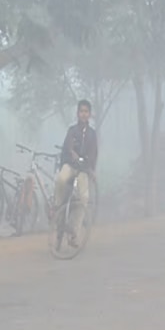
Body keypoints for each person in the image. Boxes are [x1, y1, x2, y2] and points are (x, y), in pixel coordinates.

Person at [54, 99, 98, 247]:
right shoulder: (72, 131)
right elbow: (68, 147)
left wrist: (91, 170)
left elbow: (93, 155)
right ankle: (57, 207)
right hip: (70, 166)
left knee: (83, 198)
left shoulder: (92, 134)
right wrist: (72, 154)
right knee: (61, 179)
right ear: (77, 114)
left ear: (89, 114)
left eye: (86, 111)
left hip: (83, 170)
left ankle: (74, 232)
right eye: (81, 111)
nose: (84, 114)